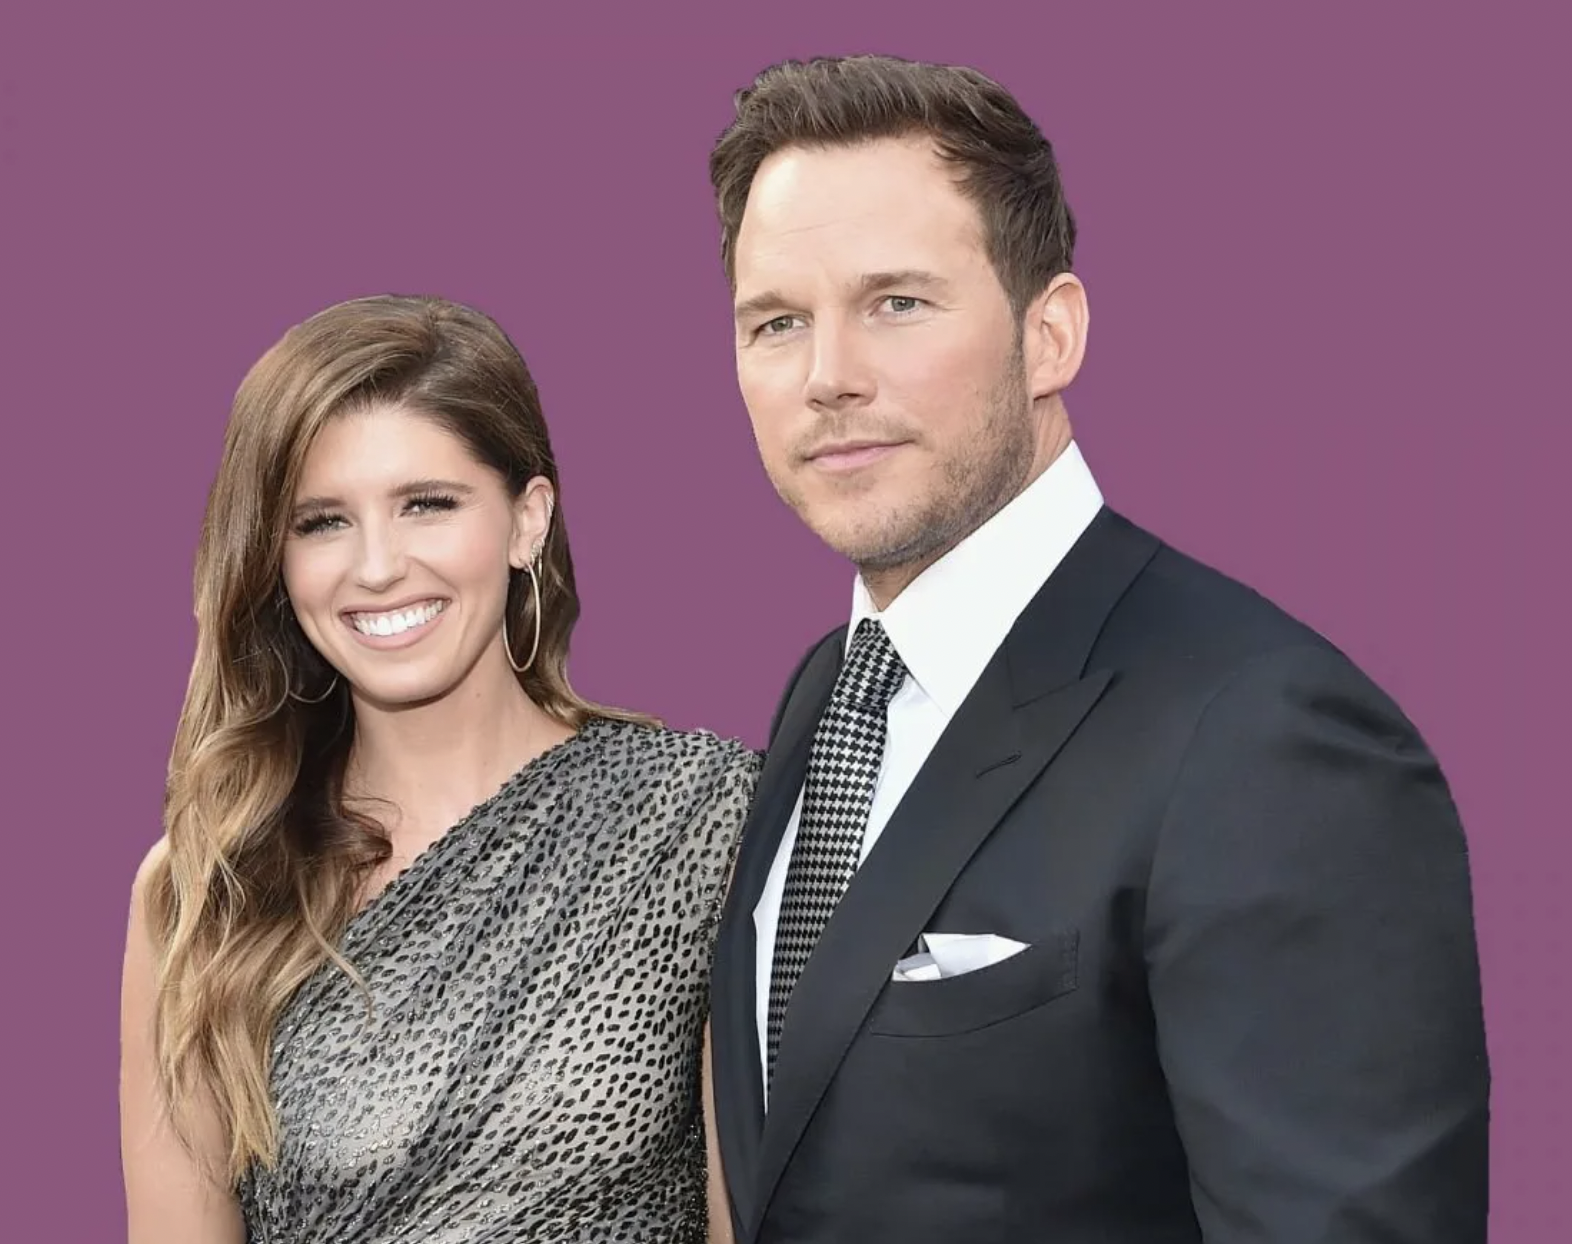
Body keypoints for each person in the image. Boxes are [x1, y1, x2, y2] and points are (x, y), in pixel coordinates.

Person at [701, 54, 1490, 1243]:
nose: (828, 378)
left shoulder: (1267, 735)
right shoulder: (829, 688)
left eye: (897, 303)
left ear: (1052, 332)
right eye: (777, 322)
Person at [119, 294, 759, 1243]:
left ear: (528, 519)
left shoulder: (703, 817)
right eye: (322, 522)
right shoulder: (209, 887)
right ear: (276, 561)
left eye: (427, 504)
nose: (378, 566)